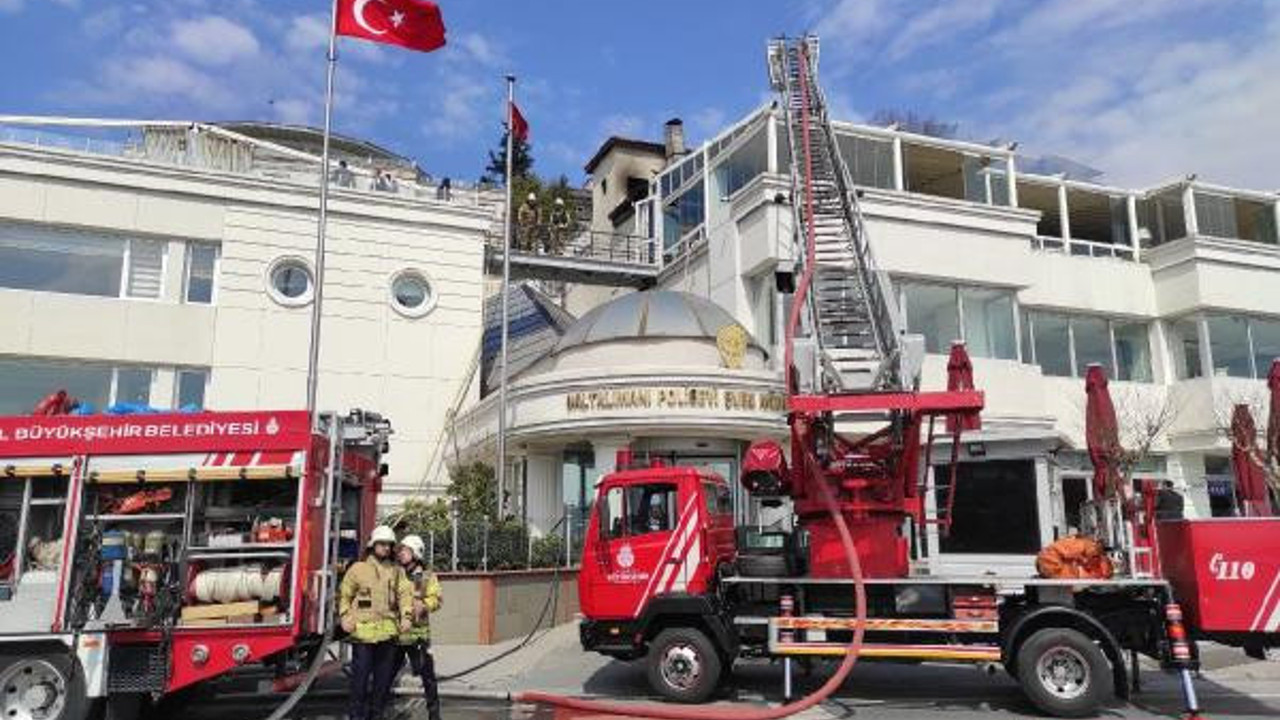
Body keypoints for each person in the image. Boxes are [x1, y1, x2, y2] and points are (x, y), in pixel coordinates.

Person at [339, 525, 413, 720]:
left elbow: (405, 596)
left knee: (382, 683)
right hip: (363, 635)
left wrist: (406, 617)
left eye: (389, 545)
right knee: (359, 682)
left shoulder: (397, 571)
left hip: (388, 635)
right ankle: (356, 716)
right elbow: (345, 594)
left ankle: (376, 715)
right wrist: (345, 616)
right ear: (373, 545)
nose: (386, 548)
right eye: (382, 544)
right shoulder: (358, 569)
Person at [386, 534, 443, 720]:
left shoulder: (427, 576)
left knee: (428, 678)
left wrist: (425, 605)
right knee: (385, 676)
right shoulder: (395, 574)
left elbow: (437, 599)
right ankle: (377, 711)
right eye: (400, 550)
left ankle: (434, 715)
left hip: (418, 637)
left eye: (405, 550)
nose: (401, 553)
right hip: (397, 635)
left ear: (416, 553)